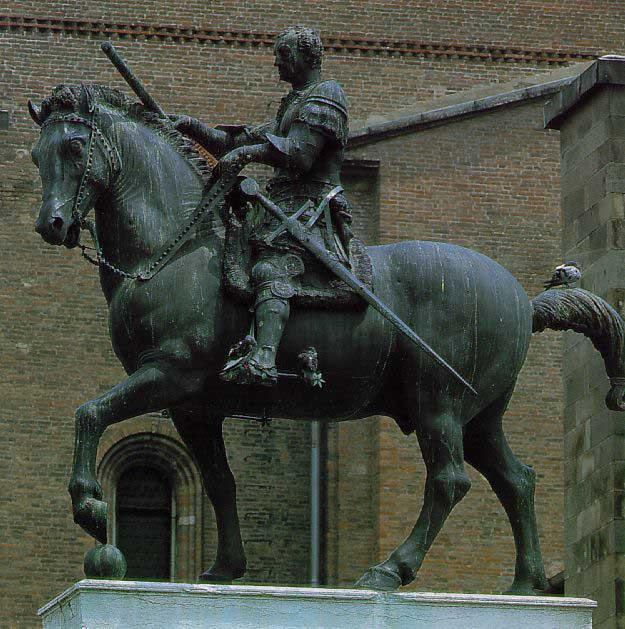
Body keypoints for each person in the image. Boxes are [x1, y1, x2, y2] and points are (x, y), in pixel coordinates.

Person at [172, 25, 351, 386]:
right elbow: (237, 140)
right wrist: (191, 127)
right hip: (279, 208)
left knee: (271, 269)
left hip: (311, 211)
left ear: (306, 57)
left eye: (283, 54)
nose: (276, 62)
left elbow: (299, 154)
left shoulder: (326, 94)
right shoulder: (293, 103)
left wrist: (245, 155)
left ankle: (264, 358)